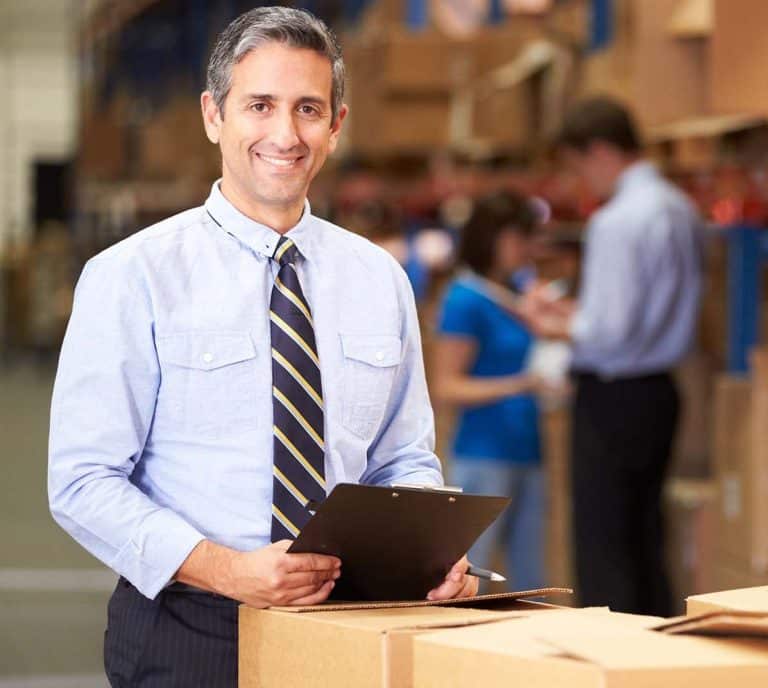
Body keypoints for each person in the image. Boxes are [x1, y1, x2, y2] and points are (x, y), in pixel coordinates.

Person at [47, 8, 477, 687]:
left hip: (349, 625)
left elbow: (403, 458)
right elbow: (82, 482)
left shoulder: (378, 281)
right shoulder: (134, 277)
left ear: (337, 126)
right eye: (260, 105)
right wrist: (227, 569)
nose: (285, 133)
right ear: (214, 115)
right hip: (190, 629)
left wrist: (430, 553)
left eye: (309, 108)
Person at [526, 97, 703, 616]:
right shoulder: (680, 208)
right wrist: (577, 314)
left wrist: (552, 323)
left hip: (613, 398)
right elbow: (640, 313)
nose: (581, 180)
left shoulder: (617, 222)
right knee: (646, 536)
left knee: (604, 545)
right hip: (659, 390)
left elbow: (606, 331)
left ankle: (613, 664)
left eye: (578, 165)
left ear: (600, 151)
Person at [433, 191, 545, 591]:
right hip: (483, 455)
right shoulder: (465, 299)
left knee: (530, 579)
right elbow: (447, 386)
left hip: (527, 450)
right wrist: (521, 383)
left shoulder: (519, 294)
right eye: (518, 239)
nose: (527, 249)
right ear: (491, 239)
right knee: (467, 577)